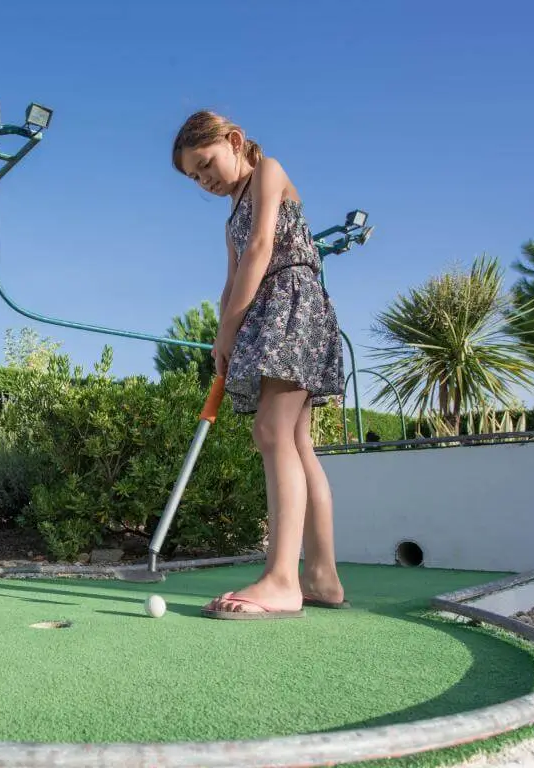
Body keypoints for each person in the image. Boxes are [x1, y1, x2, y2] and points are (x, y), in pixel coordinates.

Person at [171, 110, 348, 619]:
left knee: (273, 432)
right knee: (294, 440)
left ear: (234, 140)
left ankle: (282, 579)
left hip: (293, 302)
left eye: (205, 164)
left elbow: (262, 247)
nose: (204, 180)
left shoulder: (268, 170)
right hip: (263, 314)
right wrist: (221, 335)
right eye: (194, 177)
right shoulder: (229, 216)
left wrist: (231, 326)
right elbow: (232, 278)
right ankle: (322, 577)